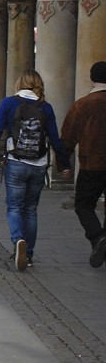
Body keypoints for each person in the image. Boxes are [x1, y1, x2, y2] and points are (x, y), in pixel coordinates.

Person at [0, 69, 71, 271]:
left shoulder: (9, 103)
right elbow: (55, 139)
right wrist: (64, 164)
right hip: (39, 165)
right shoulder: (45, 107)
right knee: (31, 209)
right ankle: (28, 255)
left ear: (19, 84)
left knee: (14, 207)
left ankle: (18, 240)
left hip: (16, 162)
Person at [60, 61, 106, 268]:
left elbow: (68, 136)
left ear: (91, 78)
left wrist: (63, 162)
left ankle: (97, 237)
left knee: (84, 204)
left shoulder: (83, 104)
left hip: (92, 164)